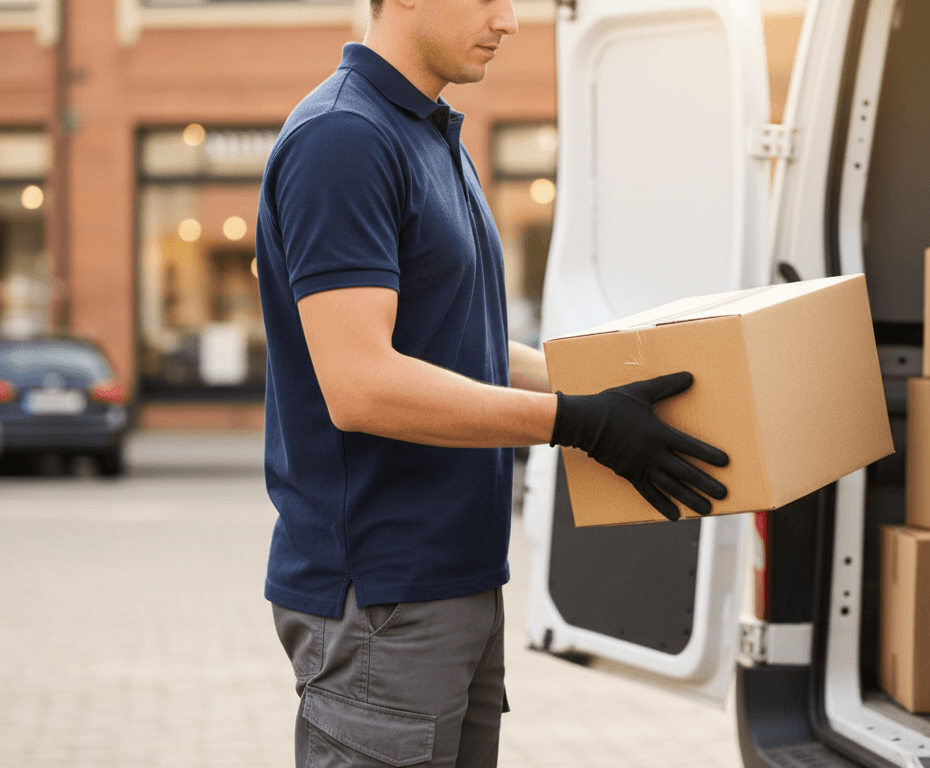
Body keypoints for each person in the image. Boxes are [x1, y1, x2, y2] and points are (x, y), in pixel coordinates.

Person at [254, 0, 729, 765]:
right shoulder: (342, 139)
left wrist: (614, 388)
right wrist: (577, 423)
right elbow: (361, 384)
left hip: (456, 580)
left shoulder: (428, 133)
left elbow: (459, 343)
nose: (508, 21)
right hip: (382, 597)